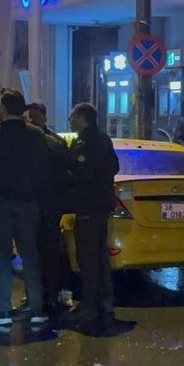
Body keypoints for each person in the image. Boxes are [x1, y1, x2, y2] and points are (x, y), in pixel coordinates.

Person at [0, 89, 51, 328]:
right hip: (29, 203)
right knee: (30, 255)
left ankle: (3, 308)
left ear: (3, 108)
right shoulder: (36, 135)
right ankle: (37, 308)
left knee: (1, 256)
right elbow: (44, 170)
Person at [62, 103, 122, 334]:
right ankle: (105, 302)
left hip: (88, 207)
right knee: (100, 257)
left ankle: (90, 306)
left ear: (82, 118)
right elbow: (114, 166)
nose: (70, 120)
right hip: (102, 207)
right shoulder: (104, 140)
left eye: (72, 116)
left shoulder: (85, 143)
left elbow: (78, 175)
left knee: (87, 259)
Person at [28, 102, 72, 318]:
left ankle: (49, 294)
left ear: (44, 117)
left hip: (47, 205)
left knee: (48, 253)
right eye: (30, 116)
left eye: (36, 116)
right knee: (35, 252)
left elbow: (63, 175)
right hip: (38, 204)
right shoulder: (34, 139)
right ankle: (39, 295)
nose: (33, 120)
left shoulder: (53, 142)